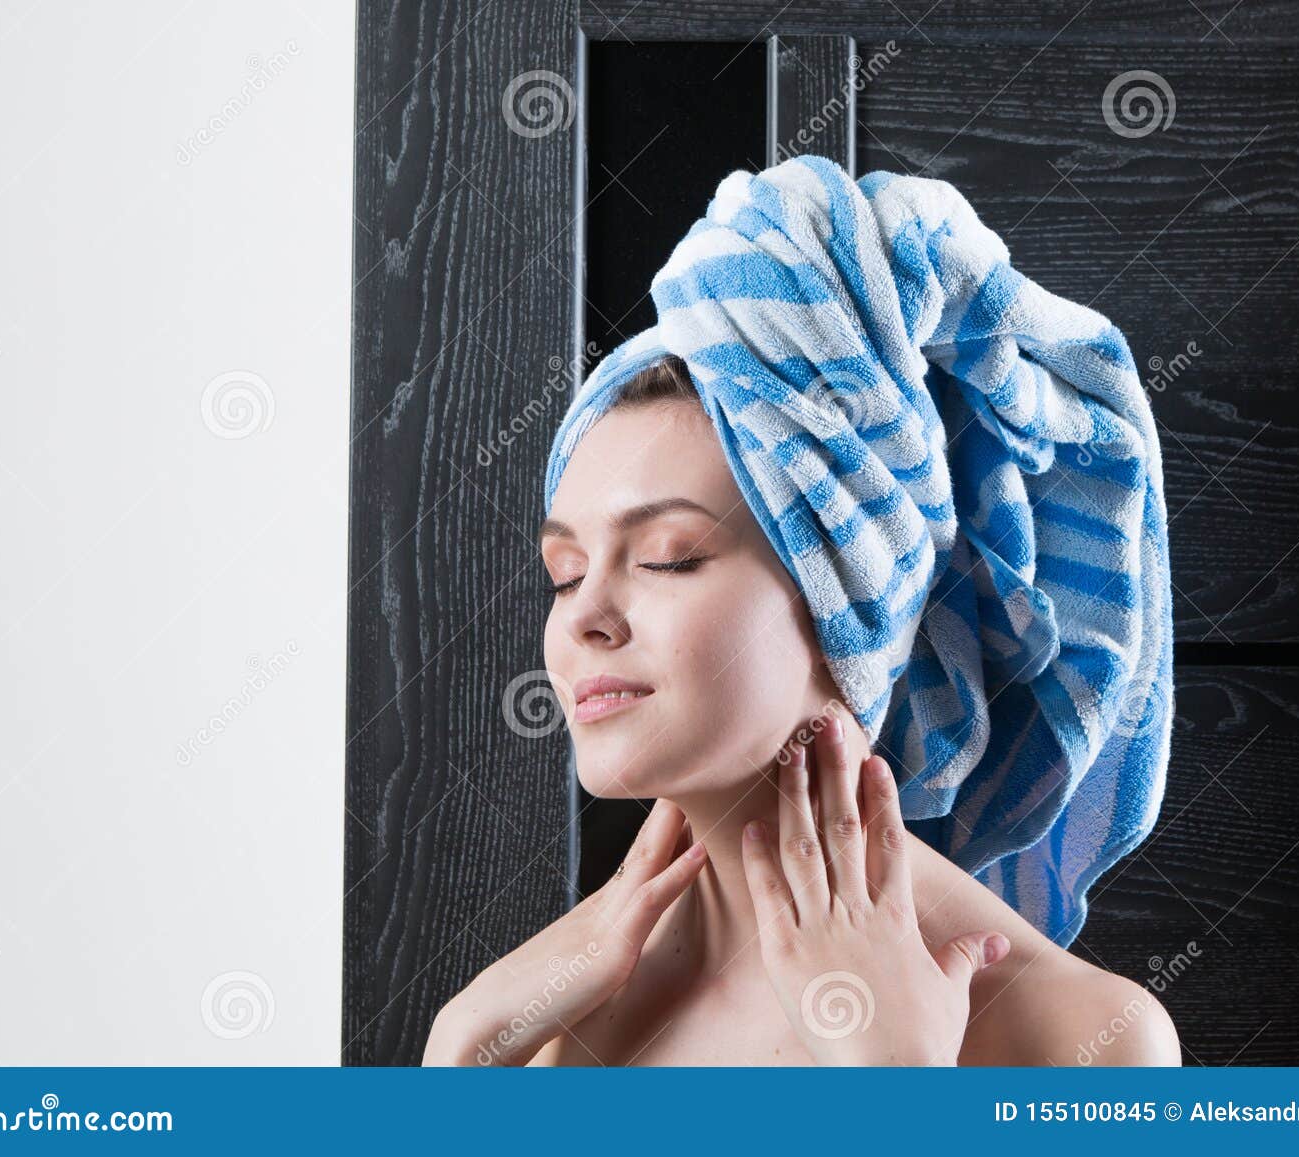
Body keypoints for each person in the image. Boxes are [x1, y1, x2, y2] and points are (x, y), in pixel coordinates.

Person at [421, 356, 1180, 1066]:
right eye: (566, 573)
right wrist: (458, 1049)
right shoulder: (558, 1015)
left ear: (846, 607)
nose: (585, 616)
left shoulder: (1087, 1038)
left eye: (667, 557)